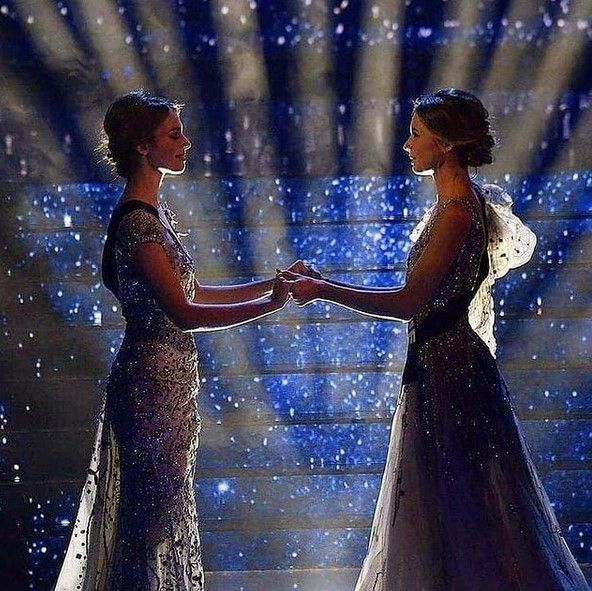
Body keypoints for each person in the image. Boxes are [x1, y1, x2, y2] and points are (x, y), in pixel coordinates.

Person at [281, 89, 590, 590]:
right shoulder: (451, 207)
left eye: (417, 134)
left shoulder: (458, 213)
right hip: (439, 369)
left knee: (465, 506)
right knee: (448, 507)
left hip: (453, 375)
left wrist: (323, 289)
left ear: (445, 144)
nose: (407, 144)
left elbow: (409, 301)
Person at [53, 90, 300, 590]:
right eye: (173, 134)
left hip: (170, 386)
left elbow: (194, 289)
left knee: (163, 512)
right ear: (143, 147)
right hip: (150, 386)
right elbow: (184, 312)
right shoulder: (139, 222)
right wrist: (268, 306)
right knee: (150, 520)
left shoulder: (154, 215)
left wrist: (271, 285)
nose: (185, 142)